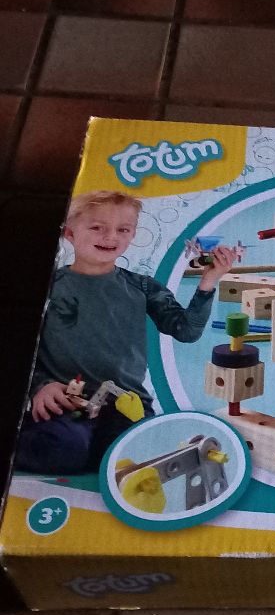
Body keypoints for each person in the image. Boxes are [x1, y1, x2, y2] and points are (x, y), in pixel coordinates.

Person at [15, 190, 237, 474]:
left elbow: (186, 331)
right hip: (65, 401)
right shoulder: (48, 287)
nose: (111, 237)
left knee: (136, 455)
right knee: (65, 450)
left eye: (123, 229)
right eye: (97, 227)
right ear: (69, 233)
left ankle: (91, 450)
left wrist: (209, 281)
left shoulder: (142, 287)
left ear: (132, 235)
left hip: (126, 403)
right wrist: (40, 386)